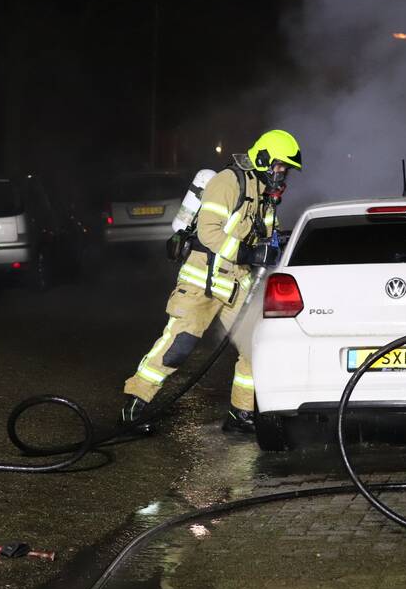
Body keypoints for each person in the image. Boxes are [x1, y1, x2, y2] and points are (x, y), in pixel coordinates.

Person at [119, 130, 303, 434]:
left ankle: (241, 413)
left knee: (256, 345)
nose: (283, 173)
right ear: (264, 159)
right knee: (178, 346)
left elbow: (269, 235)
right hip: (202, 281)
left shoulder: (265, 196)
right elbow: (209, 232)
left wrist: (283, 245)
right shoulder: (228, 182)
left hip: (237, 285)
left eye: (286, 169)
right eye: (281, 166)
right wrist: (247, 251)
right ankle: (135, 404)